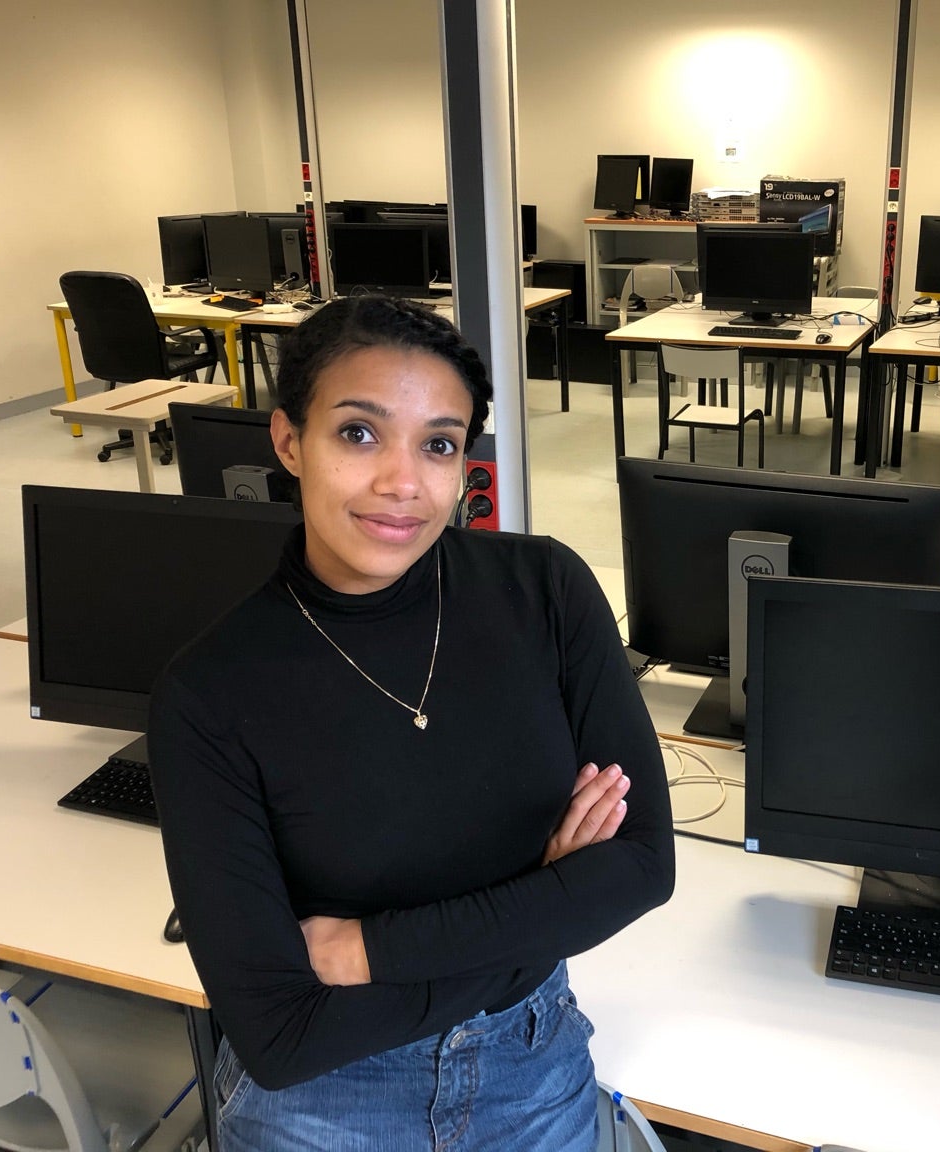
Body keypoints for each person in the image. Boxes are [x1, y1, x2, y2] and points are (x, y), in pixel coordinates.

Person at [148, 296, 674, 1151]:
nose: (404, 483)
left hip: (531, 1066)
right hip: (324, 1106)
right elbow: (280, 1037)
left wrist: (368, 951)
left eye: (439, 444)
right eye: (359, 433)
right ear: (288, 441)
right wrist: (545, 903)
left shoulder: (544, 591)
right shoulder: (211, 693)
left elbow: (645, 866)